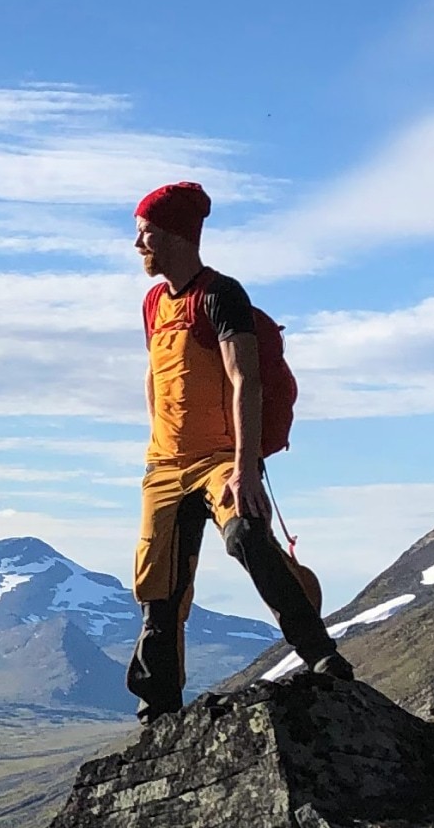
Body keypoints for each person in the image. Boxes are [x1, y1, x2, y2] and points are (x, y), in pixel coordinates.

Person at [127, 180, 350, 722]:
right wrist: (157, 449)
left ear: (177, 235)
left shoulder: (221, 294)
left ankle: (321, 655)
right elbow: (157, 379)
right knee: (158, 587)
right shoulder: (154, 302)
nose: (138, 246)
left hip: (223, 458)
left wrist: (246, 466)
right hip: (165, 464)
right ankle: (160, 710)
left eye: (146, 234)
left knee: (247, 534)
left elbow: (243, 380)